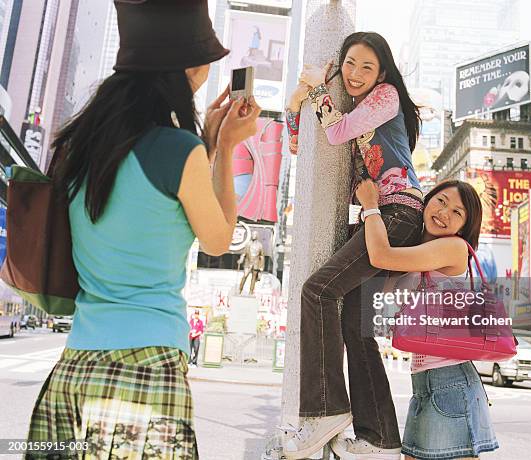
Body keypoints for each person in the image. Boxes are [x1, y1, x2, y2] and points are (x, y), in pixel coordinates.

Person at [25, 1, 260, 458]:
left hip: (74, 369)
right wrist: (225, 147)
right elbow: (217, 238)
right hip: (147, 372)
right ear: (185, 68)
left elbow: (154, 206)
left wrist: (207, 145)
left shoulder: (82, 145)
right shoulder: (179, 150)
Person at [283, 32, 423, 460]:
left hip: (397, 213)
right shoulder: (362, 106)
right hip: (373, 218)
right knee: (355, 330)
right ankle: (380, 435)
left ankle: (326, 409)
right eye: (349, 63)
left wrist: (320, 89)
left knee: (318, 291)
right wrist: (299, 99)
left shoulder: (386, 96)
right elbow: (299, 141)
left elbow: (336, 131)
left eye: (366, 66)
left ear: (382, 72)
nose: (356, 73)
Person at [351, 178, 499, 460]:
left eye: (457, 213)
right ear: (427, 200)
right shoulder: (418, 253)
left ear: (464, 227)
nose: (444, 213)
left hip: (451, 382)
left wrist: (370, 205)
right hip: (424, 384)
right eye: (441, 201)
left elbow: (381, 255)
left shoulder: (453, 248)